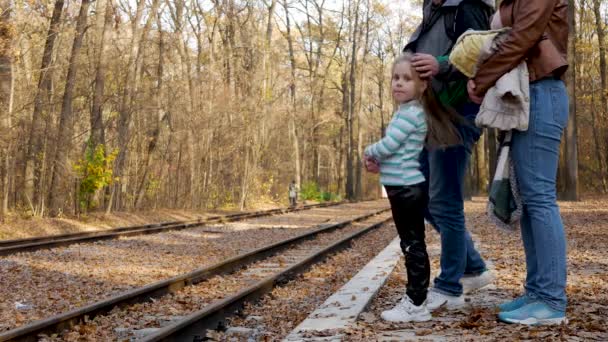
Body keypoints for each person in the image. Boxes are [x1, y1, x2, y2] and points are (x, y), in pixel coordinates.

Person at [469, 0, 569, 325]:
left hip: (541, 94)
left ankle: (552, 300)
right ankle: (537, 292)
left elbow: (523, 35)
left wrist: (482, 77)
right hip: (529, 95)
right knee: (527, 199)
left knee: (540, 199)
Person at [403, 0, 495, 311]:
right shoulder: (434, 10)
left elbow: (488, 52)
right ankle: (472, 266)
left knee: (445, 202)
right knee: (422, 199)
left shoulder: (467, 6)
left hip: (458, 115)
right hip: (433, 114)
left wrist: (441, 63)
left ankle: (449, 286)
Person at [363, 53, 463, 322]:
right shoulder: (405, 112)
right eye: (396, 78)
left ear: (422, 86)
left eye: (407, 79)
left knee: (412, 245)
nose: (399, 83)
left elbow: (389, 146)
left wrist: (369, 151)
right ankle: (416, 299)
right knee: (411, 243)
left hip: (407, 190)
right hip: (401, 187)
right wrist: (379, 165)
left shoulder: (411, 114)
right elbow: (398, 155)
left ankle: (416, 303)